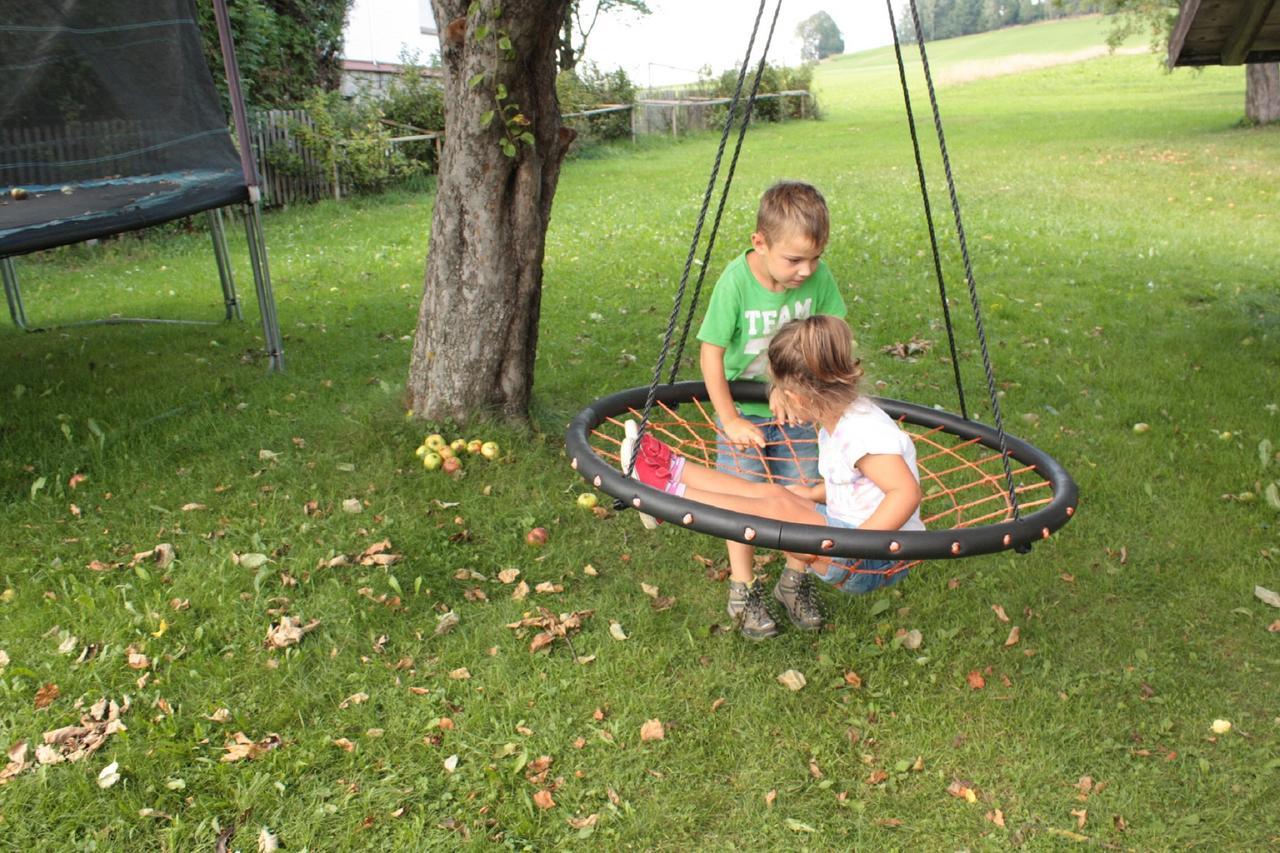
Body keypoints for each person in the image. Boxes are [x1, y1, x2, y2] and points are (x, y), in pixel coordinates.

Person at [623, 315, 924, 637]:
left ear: (796, 395)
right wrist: (813, 495)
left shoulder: (862, 432)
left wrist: (857, 545)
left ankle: (666, 496)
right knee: (776, 495)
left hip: (870, 559)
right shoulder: (842, 416)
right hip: (851, 533)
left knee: (777, 510)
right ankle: (675, 470)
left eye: (780, 391)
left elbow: (905, 492)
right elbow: (861, 486)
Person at [693, 180, 846, 638]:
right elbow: (711, 353)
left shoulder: (819, 280)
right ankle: (742, 588)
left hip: (796, 412)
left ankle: (794, 582)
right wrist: (732, 418)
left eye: (815, 258)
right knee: (745, 500)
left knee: (801, 494)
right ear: (760, 242)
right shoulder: (736, 282)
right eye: (794, 260)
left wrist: (794, 386)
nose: (806, 270)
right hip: (743, 412)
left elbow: (831, 338)